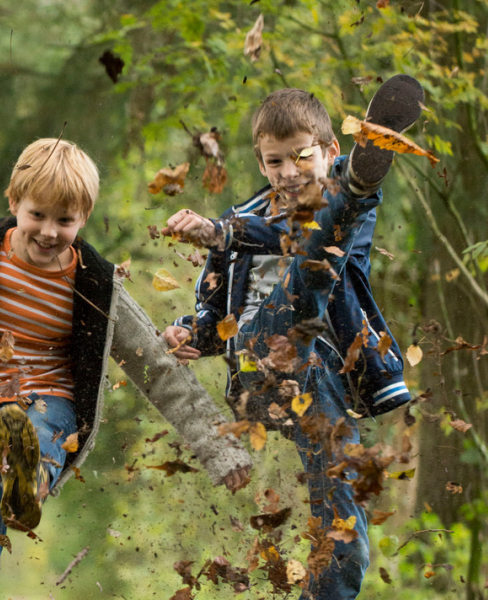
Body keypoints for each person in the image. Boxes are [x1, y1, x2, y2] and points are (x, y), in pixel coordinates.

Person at [0, 138, 252, 600]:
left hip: (50, 404)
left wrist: (218, 448)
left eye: (64, 221)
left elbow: (155, 366)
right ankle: (15, 485)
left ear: (83, 218)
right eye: (37, 215)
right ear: (13, 202)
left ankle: (29, 480)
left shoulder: (96, 283)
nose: (48, 231)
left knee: (33, 426)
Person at [163, 75, 424, 599]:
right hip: (259, 376)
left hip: (321, 384)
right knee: (296, 287)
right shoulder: (239, 223)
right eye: (275, 162)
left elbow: (312, 241)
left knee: (345, 533)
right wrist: (188, 332)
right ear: (261, 165)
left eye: (301, 157)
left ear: (329, 151)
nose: (287, 173)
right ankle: (360, 172)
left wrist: (223, 231)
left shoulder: (348, 214)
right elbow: (217, 316)